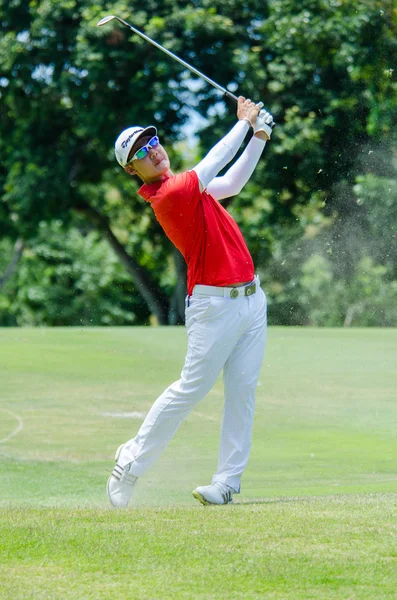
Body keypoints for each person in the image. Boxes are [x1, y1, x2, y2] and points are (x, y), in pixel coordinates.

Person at [107, 97, 274, 507]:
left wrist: (260, 137)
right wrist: (244, 123)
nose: (153, 150)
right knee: (190, 390)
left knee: (242, 392)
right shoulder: (169, 195)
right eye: (141, 152)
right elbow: (215, 161)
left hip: (251, 299)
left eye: (153, 141)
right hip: (214, 306)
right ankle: (129, 464)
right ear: (133, 170)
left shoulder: (189, 186)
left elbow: (232, 184)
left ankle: (227, 483)